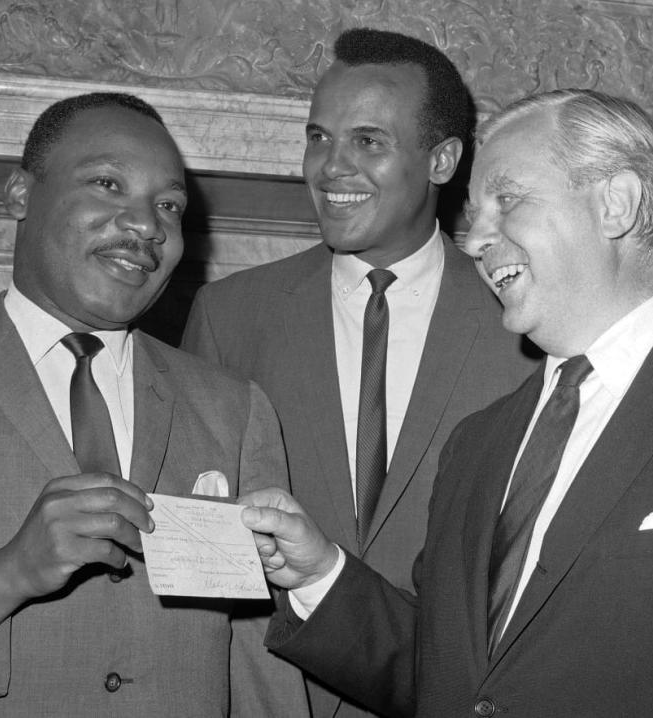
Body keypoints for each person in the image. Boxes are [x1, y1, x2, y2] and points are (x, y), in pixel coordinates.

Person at [240, 89, 653, 716]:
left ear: (616, 204)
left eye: (508, 201)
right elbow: (451, 677)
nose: (473, 240)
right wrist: (318, 575)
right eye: (473, 214)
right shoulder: (475, 444)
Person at [0, 92, 296, 716]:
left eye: (169, 205)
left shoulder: (235, 408)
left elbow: (260, 662)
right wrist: (6, 575)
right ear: (20, 194)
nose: (148, 224)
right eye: (107, 182)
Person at [182, 28, 536, 717]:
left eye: (368, 141)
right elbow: (197, 552)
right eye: (319, 137)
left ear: (442, 160)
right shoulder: (230, 315)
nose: (329, 167)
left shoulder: (522, 319)